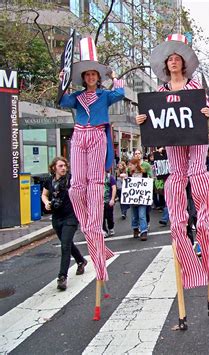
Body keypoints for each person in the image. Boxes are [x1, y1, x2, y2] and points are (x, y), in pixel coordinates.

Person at [136, 34, 209, 293]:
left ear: (183, 63)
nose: (173, 62)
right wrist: (142, 121)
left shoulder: (195, 88)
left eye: (176, 59)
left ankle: (205, 224)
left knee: (197, 172)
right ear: (165, 65)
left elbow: (207, 107)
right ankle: (179, 226)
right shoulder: (160, 92)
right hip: (173, 139)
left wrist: (206, 112)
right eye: (169, 59)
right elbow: (151, 116)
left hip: (196, 136)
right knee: (177, 176)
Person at [59, 37, 123, 284]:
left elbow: (120, 92)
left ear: (98, 76)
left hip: (97, 134)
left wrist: (114, 75)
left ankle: (95, 226)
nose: (91, 78)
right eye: (87, 75)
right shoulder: (76, 97)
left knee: (95, 183)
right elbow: (62, 99)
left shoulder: (106, 95)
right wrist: (62, 80)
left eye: (94, 74)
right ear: (84, 77)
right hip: (79, 134)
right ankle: (88, 224)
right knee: (77, 186)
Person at [41, 157, 87, 291]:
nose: (63, 168)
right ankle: (81, 261)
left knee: (65, 245)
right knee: (68, 244)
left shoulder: (71, 180)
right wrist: (46, 203)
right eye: (60, 166)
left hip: (70, 216)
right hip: (57, 217)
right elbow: (44, 194)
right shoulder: (49, 181)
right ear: (54, 167)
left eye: (65, 166)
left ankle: (62, 277)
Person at [102, 170, 117, 237]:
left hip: (108, 200)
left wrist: (112, 199)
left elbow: (114, 188)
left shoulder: (110, 177)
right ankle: (104, 230)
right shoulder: (96, 178)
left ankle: (111, 227)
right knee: (101, 217)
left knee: (109, 216)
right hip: (100, 201)